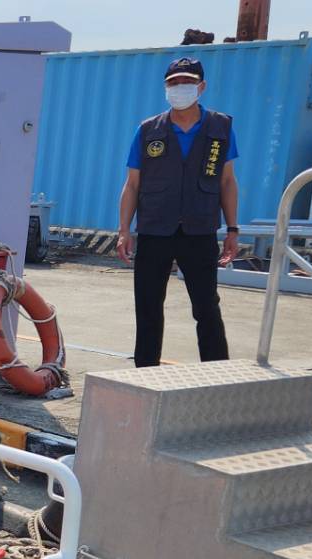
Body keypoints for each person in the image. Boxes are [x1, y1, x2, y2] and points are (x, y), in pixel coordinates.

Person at [117, 56, 240, 368]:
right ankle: (146, 372)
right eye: (173, 82)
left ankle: (217, 373)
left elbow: (227, 181)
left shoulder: (220, 128)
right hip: (155, 229)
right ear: (165, 87)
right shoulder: (148, 130)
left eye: (187, 82)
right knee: (148, 306)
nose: (180, 87)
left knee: (206, 307)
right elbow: (132, 184)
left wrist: (232, 229)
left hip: (199, 230)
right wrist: (124, 230)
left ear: (201, 86)